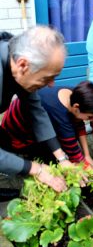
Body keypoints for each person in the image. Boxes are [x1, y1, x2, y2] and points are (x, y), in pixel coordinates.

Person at [1, 81, 93, 204]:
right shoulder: (60, 117)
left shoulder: (74, 94)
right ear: (76, 107)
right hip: (17, 136)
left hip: (29, 120)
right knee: (57, 160)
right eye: (89, 117)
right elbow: (76, 157)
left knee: (66, 147)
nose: (89, 120)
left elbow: (78, 122)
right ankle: (30, 157)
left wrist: (87, 155)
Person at [0, 26, 75, 193]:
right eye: (47, 78)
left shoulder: (15, 59)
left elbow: (36, 111)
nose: (51, 85)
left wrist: (62, 158)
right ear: (23, 65)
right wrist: (37, 169)